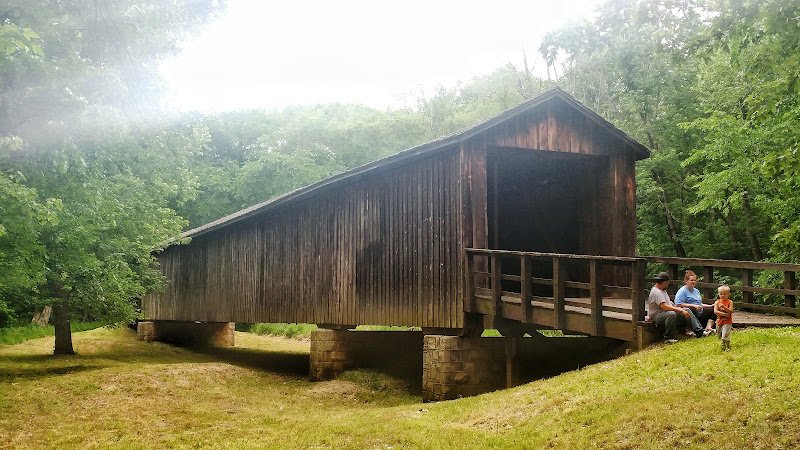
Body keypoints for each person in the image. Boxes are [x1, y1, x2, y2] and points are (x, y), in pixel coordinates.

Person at [647, 271, 706, 343]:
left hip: (664, 312)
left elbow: (668, 303)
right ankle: (668, 338)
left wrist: (678, 308)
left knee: (686, 310)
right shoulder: (657, 292)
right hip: (657, 315)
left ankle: (699, 331)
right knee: (671, 314)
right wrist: (679, 310)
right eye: (668, 283)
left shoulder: (662, 290)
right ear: (665, 282)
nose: (668, 285)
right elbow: (664, 307)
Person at [674, 269, 716, 336]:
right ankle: (699, 331)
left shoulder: (696, 291)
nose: (694, 282)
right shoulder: (682, 291)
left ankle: (708, 327)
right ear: (686, 281)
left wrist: (710, 306)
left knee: (713, 309)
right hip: (688, 314)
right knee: (688, 310)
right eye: (691, 280)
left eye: (695, 280)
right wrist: (693, 306)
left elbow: (699, 304)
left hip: (699, 312)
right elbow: (678, 304)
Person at [714, 285, 734, 351]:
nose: (722, 295)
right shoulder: (717, 302)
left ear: (728, 294)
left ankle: (727, 347)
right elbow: (715, 311)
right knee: (719, 335)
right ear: (718, 294)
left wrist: (724, 307)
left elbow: (731, 311)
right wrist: (725, 314)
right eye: (721, 294)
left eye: (725, 294)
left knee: (725, 334)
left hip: (727, 321)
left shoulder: (730, 302)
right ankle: (723, 344)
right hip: (719, 321)